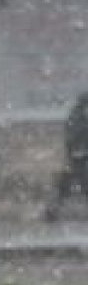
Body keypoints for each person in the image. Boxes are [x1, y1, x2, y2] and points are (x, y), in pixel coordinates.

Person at [47, 91, 88, 222]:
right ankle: (52, 210)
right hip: (80, 155)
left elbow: (71, 137)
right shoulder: (79, 117)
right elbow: (74, 136)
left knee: (72, 181)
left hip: (79, 155)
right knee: (78, 181)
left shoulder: (77, 115)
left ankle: (53, 209)